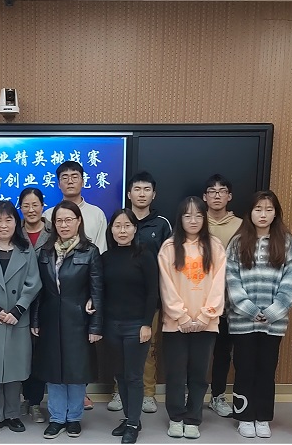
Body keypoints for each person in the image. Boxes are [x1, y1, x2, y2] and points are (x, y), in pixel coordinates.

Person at [225, 190, 292, 439]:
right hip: (242, 320)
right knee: (244, 369)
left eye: (268, 209)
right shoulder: (237, 242)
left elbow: (290, 281)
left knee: (267, 370)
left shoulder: (287, 242)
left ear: (276, 213)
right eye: (258, 209)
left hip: (273, 322)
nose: (263, 214)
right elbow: (231, 280)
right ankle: (245, 417)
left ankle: (263, 417)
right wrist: (249, 309)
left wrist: (274, 311)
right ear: (250, 212)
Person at [31, 201, 104, 439]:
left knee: (76, 370)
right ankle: (56, 418)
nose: (64, 225)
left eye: (68, 220)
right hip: (50, 319)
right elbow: (39, 290)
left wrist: (96, 325)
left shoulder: (89, 251)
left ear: (78, 221)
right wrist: (35, 320)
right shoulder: (45, 251)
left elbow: (97, 291)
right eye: (59, 221)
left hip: (79, 319)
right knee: (54, 370)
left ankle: (73, 418)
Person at [40, 161, 107, 410]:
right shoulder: (47, 220)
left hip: (79, 309)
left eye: (75, 176)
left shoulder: (96, 216)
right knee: (53, 364)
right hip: (52, 314)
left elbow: (98, 267)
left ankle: (75, 413)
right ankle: (57, 415)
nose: (64, 224)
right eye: (64, 177)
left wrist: (92, 300)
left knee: (78, 364)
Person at [158, 197, 227, 440]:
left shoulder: (215, 246)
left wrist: (206, 315)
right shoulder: (169, 247)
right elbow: (166, 286)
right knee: (176, 374)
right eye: (187, 216)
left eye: (198, 215)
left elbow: (219, 285)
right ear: (180, 219)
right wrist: (182, 316)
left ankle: (193, 418)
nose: (193, 220)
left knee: (199, 375)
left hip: (206, 324)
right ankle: (176, 417)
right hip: (176, 325)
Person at [0, 201, 42, 437]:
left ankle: (13, 414)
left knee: (15, 368)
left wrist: (18, 310)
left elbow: (34, 283)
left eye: (8, 220)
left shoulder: (26, 250)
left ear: (16, 223)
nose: (3, 225)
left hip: (16, 318)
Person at [107, 172, 172, 414]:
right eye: (137, 189)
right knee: (120, 352)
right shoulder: (119, 220)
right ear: (129, 194)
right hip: (119, 302)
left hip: (149, 298)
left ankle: (147, 393)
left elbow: (168, 261)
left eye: (147, 189)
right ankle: (119, 392)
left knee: (148, 346)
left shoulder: (162, 224)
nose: (141, 194)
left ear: (154, 194)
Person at [102, 209, 159, 444]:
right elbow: (101, 290)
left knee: (134, 376)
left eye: (127, 226)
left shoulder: (145, 255)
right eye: (117, 226)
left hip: (136, 325)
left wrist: (146, 323)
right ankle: (130, 418)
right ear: (111, 229)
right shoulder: (106, 257)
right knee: (120, 375)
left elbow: (153, 292)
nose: (122, 230)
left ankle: (133, 424)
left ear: (135, 229)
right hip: (111, 326)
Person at [202, 174, 243, 418]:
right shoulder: (196, 222)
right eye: (212, 191)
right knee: (196, 353)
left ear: (229, 196)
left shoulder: (242, 226)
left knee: (223, 352)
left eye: (222, 191)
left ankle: (217, 395)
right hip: (198, 301)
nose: (217, 196)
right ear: (204, 197)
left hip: (229, 302)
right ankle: (192, 394)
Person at [18, 187, 52, 424]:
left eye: (35, 205)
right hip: (18, 301)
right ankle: (23, 397)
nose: (31, 210)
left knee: (40, 353)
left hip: (47, 301)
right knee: (21, 352)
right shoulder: (12, 230)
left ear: (42, 206)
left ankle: (36, 402)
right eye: (26, 205)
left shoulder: (53, 231)